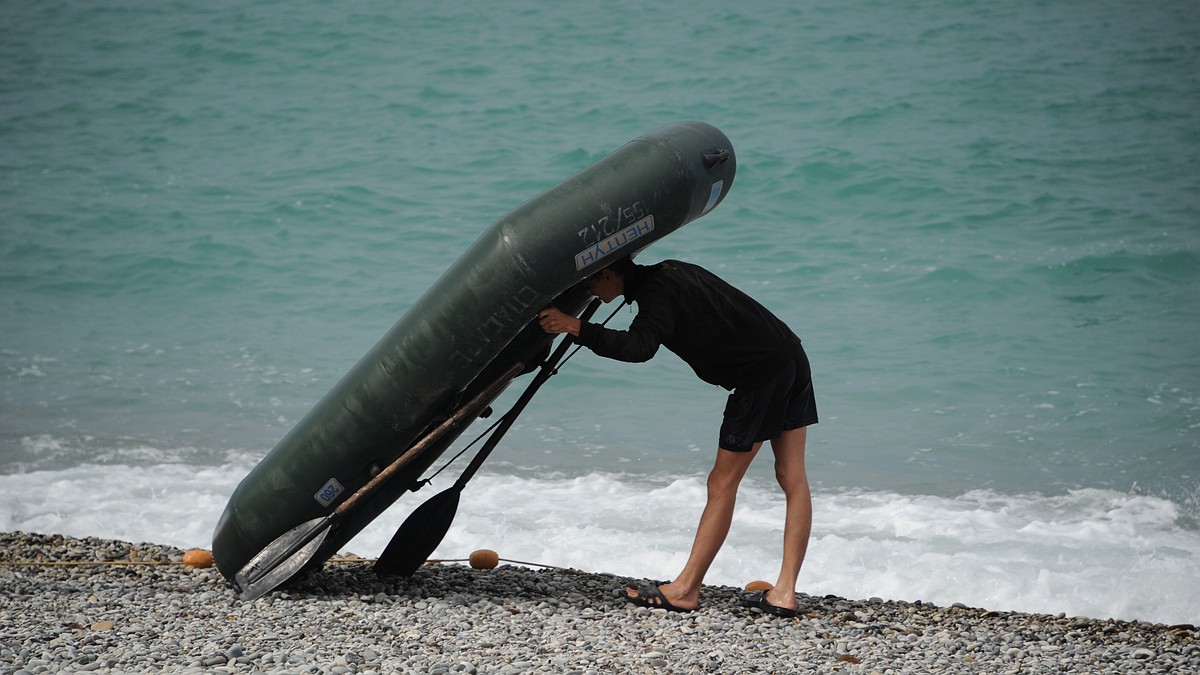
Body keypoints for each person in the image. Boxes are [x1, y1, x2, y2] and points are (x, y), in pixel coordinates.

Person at [537, 257, 817, 617]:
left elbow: (639, 347)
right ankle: (784, 593)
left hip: (760, 377)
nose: (587, 289)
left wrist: (577, 327)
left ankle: (685, 590)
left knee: (721, 483)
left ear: (609, 273)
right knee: (792, 477)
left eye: (590, 280)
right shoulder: (671, 270)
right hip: (790, 353)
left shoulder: (656, 293)